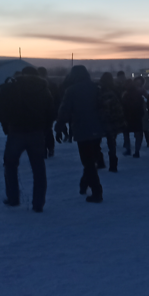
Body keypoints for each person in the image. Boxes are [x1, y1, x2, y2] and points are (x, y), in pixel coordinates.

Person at [0, 66, 54, 212]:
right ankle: (38, 204)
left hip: (16, 131)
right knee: (39, 168)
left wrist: (6, 126)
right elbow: (51, 112)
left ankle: (13, 198)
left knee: (10, 165)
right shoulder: (44, 90)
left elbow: (3, 107)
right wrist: (45, 130)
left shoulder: (13, 88)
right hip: (37, 133)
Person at [56, 65, 106, 203]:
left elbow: (64, 110)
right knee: (92, 159)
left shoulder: (71, 90)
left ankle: (97, 192)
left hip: (82, 128)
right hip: (98, 128)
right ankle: (84, 184)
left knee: (87, 161)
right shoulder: (97, 88)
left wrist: (59, 127)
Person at [99, 72, 126, 172]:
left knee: (97, 143)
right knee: (112, 144)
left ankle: (100, 162)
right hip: (113, 120)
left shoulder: (99, 90)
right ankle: (113, 165)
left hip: (101, 120)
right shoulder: (116, 89)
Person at [38, 67, 59, 157]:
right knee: (48, 130)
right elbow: (58, 98)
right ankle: (50, 148)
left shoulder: (36, 85)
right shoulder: (52, 84)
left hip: (39, 111)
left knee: (40, 131)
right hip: (50, 111)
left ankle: (43, 150)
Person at [121, 79, 145, 157]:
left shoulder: (125, 95)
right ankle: (137, 151)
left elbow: (123, 106)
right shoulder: (138, 93)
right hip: (137, 116)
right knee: (138, 134)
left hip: (127, 116)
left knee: (126, 134)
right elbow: (142, 104)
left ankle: (128, 149)